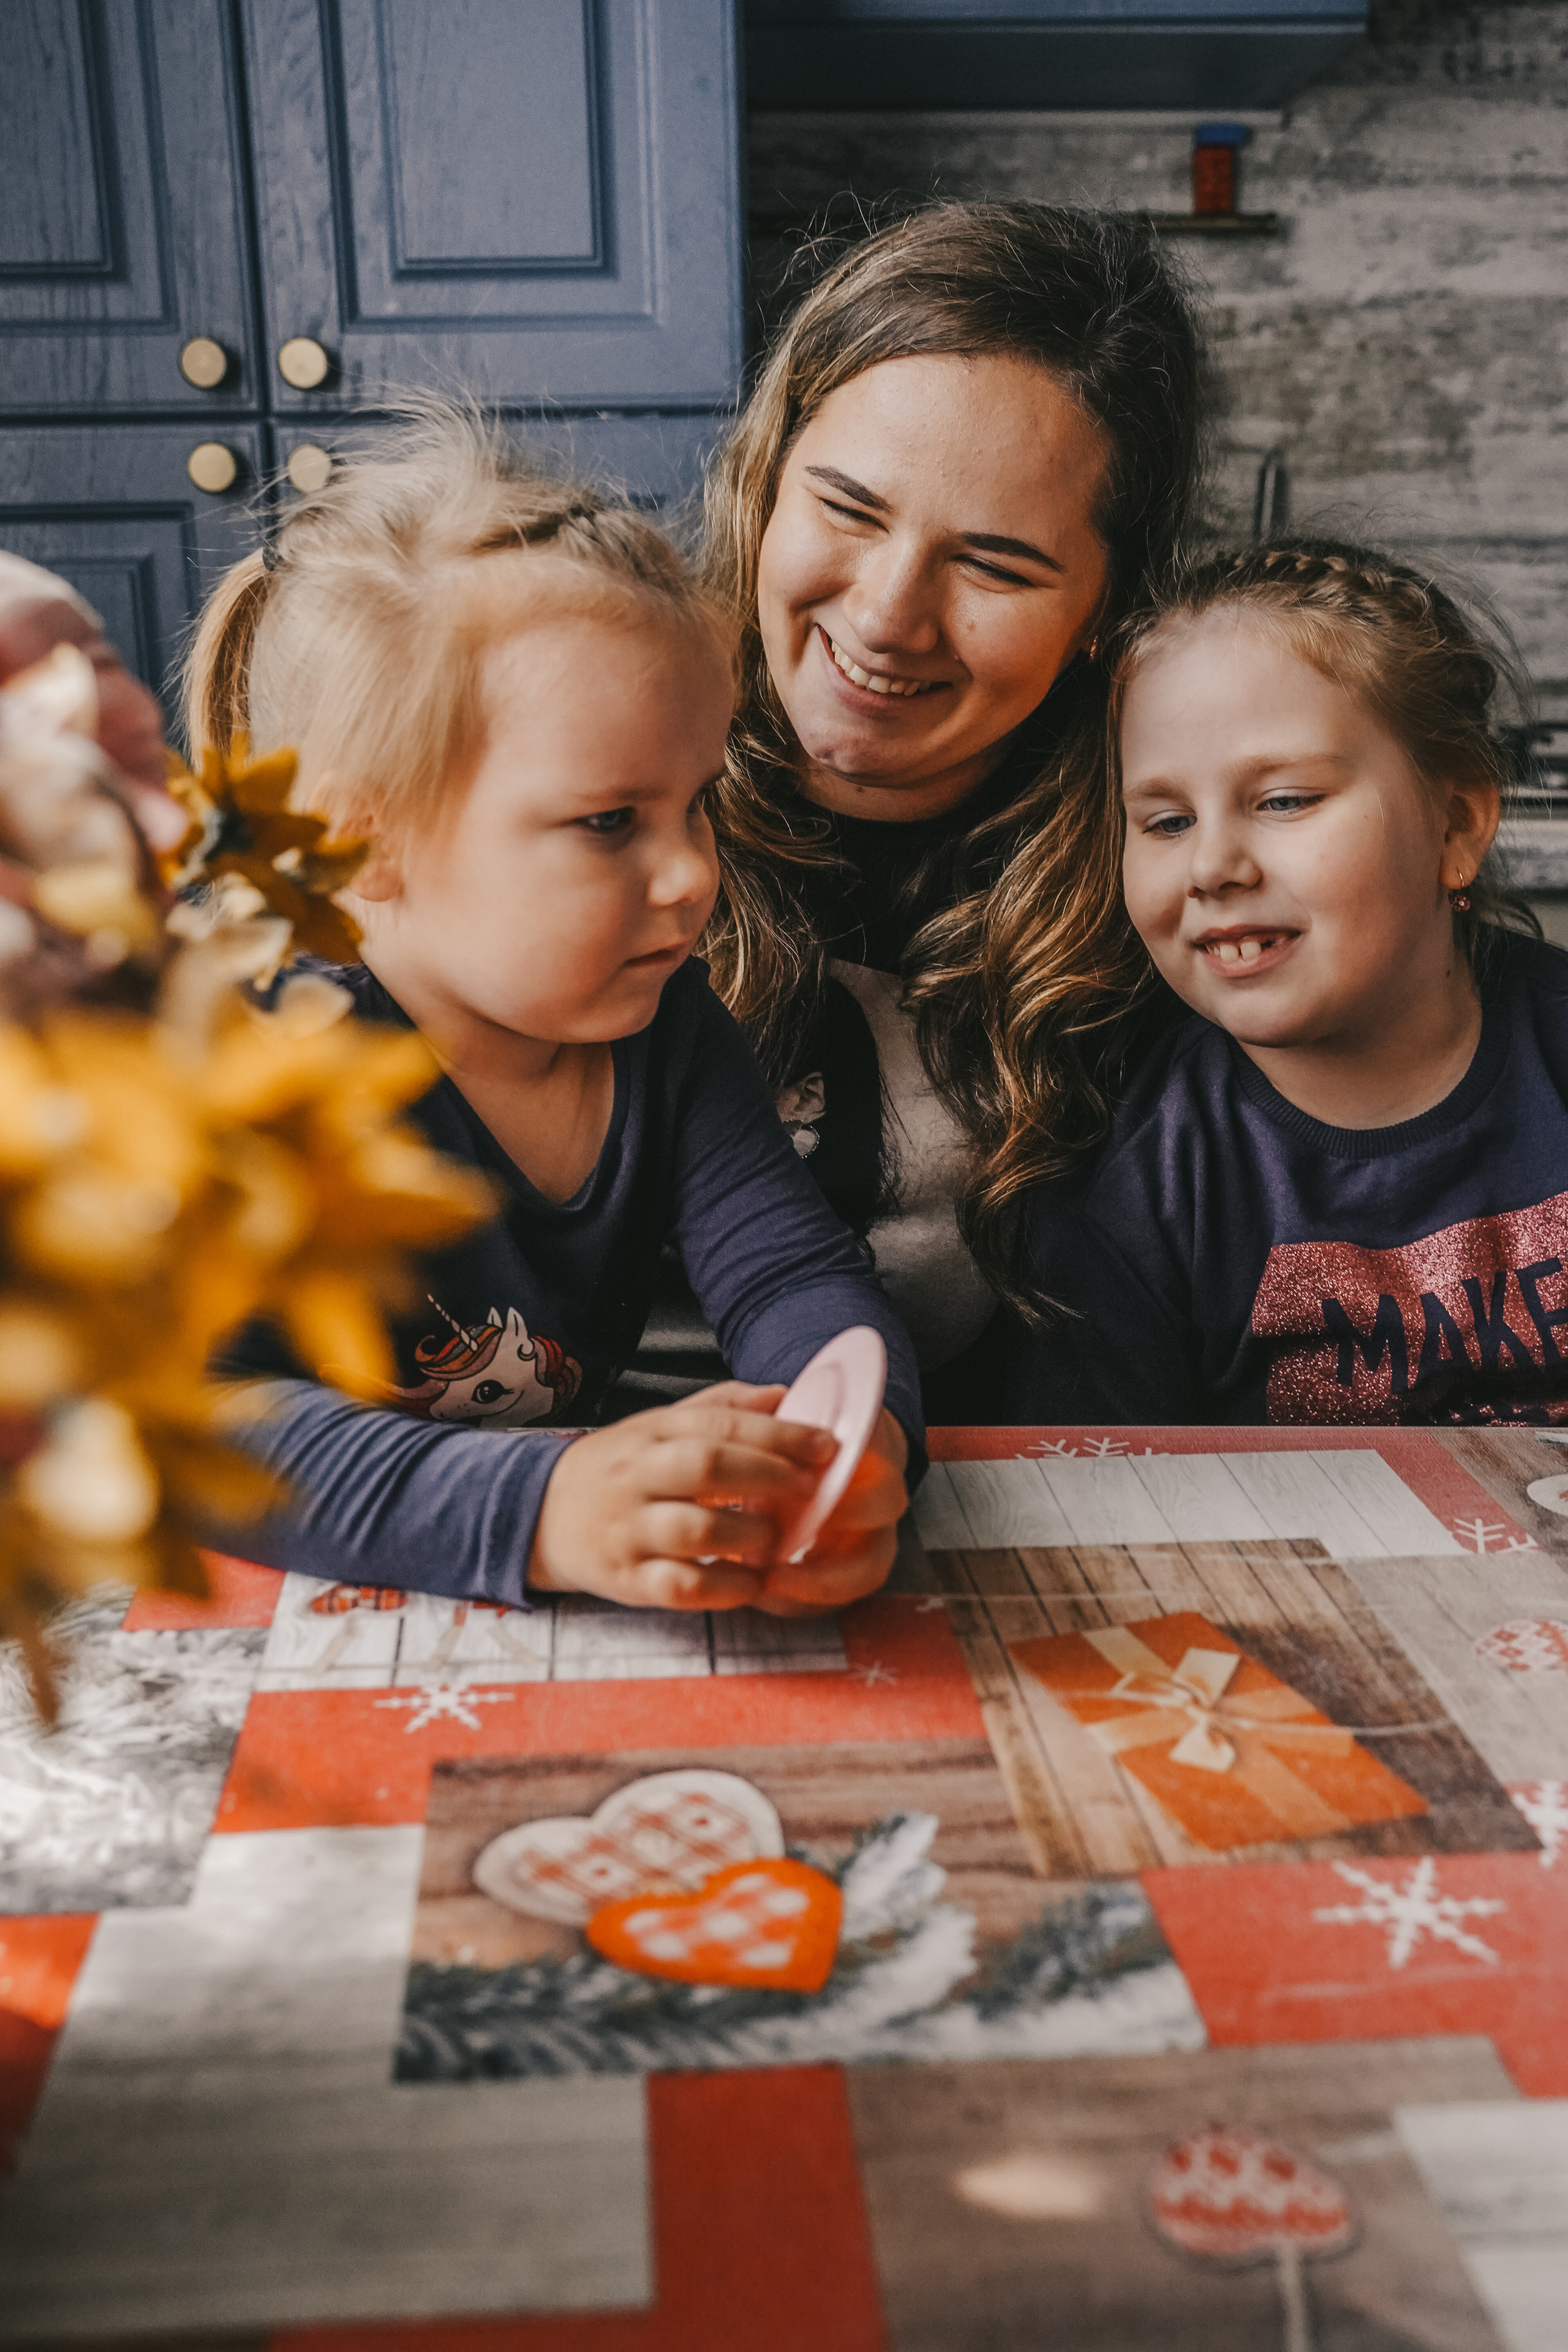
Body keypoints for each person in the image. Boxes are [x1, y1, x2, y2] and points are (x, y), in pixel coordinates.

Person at [182, 412, 922, 1611]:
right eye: (607, 822)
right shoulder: (263, 1061)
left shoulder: (669, 1033)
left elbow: (794, 1279)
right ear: (358, 841)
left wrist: (854, 1441)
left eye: (693, 807)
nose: (691, 874)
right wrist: (538, 1511)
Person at [624, 203, 1205, 1425]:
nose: (888, 615)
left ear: (1105, 605)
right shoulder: (573, 766)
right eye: (845, 507)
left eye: (993, 564)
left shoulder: (1169, 871)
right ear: (765, 477)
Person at [1008, 537, 1568, 1428]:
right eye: (1165, 820)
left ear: (1456, 824)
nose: (1213, 865)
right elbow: (1112, 1502)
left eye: (1283, 801)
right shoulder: (1132, 1176)